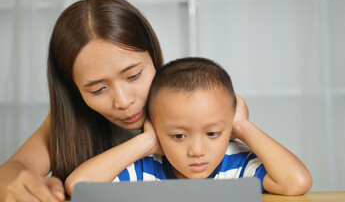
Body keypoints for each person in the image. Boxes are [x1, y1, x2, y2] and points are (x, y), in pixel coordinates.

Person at [0, 0, 166, 202]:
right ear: (74, 89)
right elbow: (15, 168)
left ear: (152, 55)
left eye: (133, 76)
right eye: (98, 90)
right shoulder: (71, 119)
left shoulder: (187, 100)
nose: (123, 102)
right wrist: (11, 183)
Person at [65, 57, 312, 196]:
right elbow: (79, 187)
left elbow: (297, 182)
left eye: (213, 133)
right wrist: (147, 141)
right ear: (156, 128)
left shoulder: (237, 164)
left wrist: (243, 126)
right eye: (178, 135)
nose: (197, 150)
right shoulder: (145, 170)